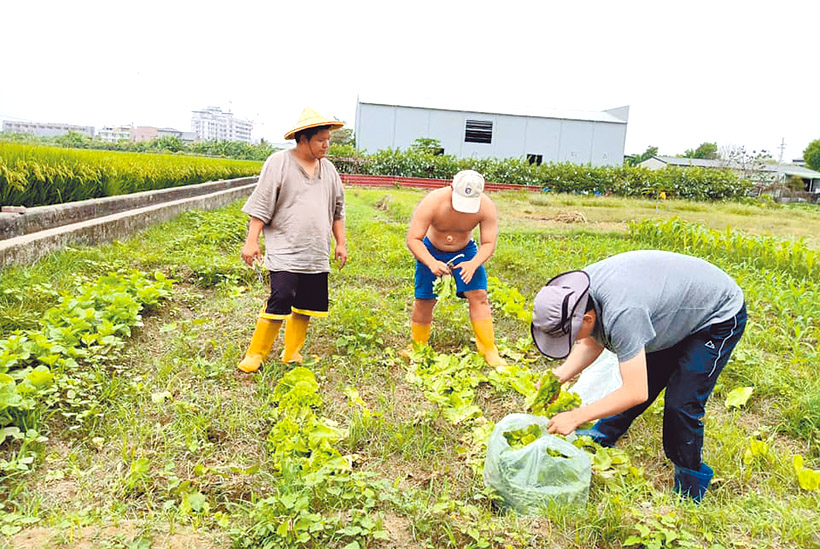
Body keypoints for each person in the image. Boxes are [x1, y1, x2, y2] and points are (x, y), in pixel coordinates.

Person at [530, 250, 746, 502]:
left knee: (681, 403)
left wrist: (576, 417)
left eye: (569, 336)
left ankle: (690, 483)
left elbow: (635, 391)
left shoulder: (623, 314)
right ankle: (603, 435)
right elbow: (592, 342)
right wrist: (558, 378)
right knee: (648, 376)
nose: (571, 342)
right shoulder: (577, 294)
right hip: (671, 310)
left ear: (587, 318)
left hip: (715, 313)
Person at [237, 107, 348, 373]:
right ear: (303, 138)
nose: (326, 145)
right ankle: (256, 354)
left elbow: (338, 210)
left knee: (307, 305)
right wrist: (251, 241)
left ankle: (292, 353)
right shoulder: (279, 163)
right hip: (285, 249)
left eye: (328, 140)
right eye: (321, 140)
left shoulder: (329, 170)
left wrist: (341, 243)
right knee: (281, 296)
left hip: (316, 252)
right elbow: (262, 204)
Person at [406, 169, 506, 366]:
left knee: (479, 295)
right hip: (431, 250)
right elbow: (413, 239)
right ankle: (417, 346)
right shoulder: (433, 202)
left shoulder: (486, 207)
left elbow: (488, 243)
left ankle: (488, 348)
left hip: (466, 252)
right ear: (452, 188)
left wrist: (473, 263)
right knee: (424, 300)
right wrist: (431, 262)